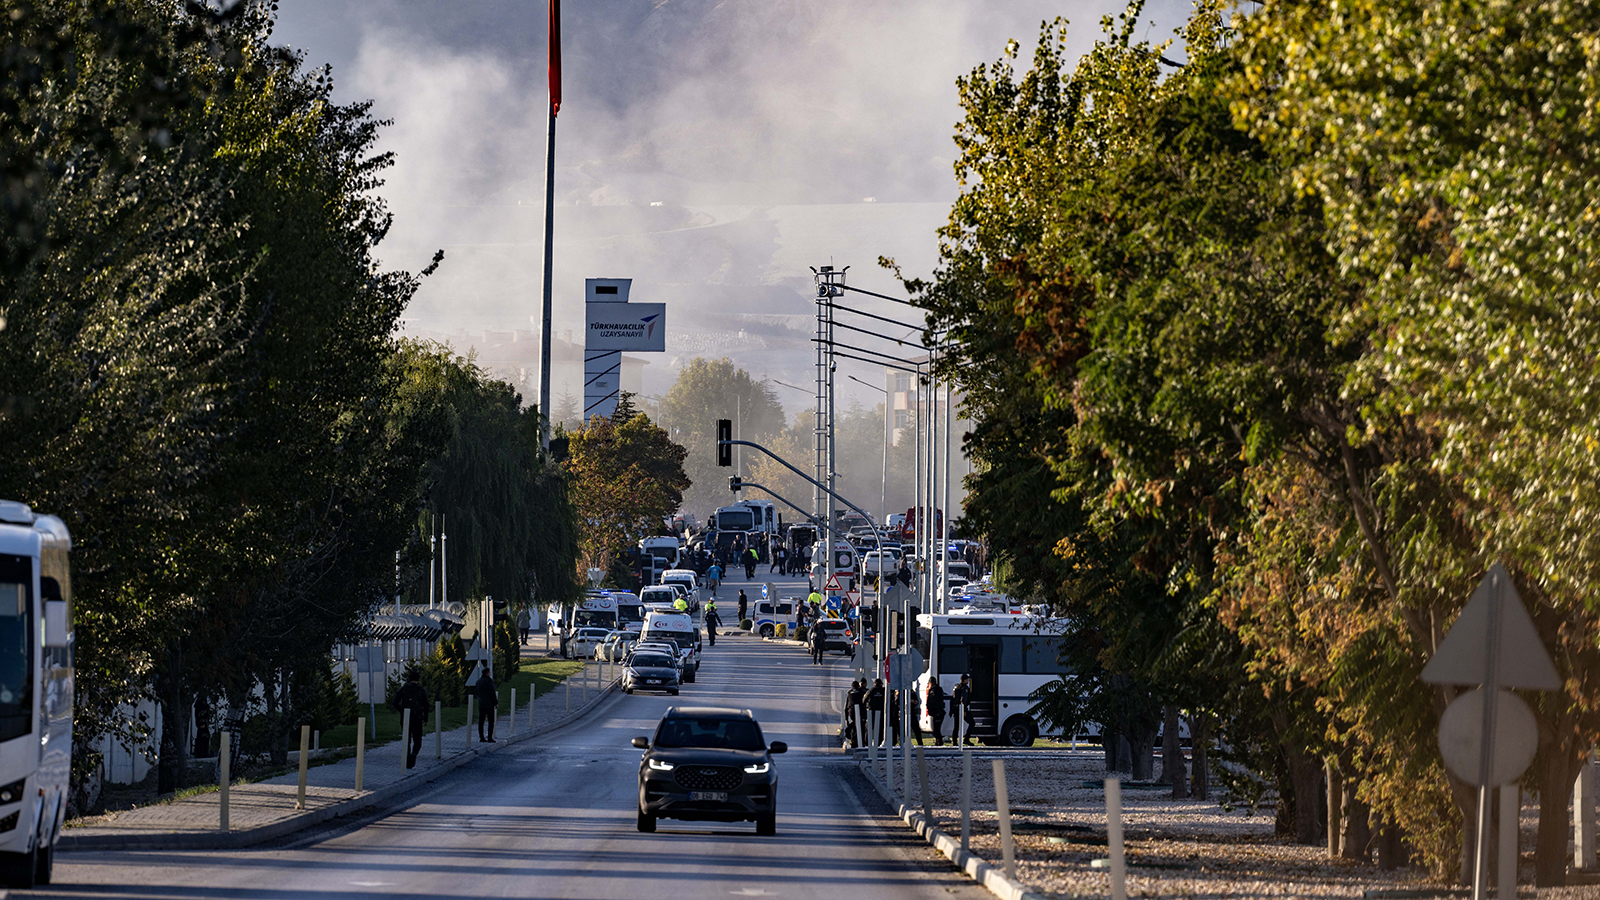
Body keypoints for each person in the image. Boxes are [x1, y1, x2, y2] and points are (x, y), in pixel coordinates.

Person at [397, 669, 430, 767]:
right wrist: (426, 718)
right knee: (417, 739)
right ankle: (414, 754)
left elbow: (395, 702)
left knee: (406, 739)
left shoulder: (403, 689)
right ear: (418, 680)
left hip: (405, 717)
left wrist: (402, 710)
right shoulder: (421, 690)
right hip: (417, 717)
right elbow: (426, 705)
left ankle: (407, 759)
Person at [474, 662, 498, 743]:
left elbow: (476, 692)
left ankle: (481, 737)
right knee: (491, 721)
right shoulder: (489, 681)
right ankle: (490, 737)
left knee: (481, 720)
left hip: (481, 703)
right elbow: (492, 693)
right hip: (489, 704)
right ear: (487, 673)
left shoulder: (478, 681)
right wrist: (495, 702)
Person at [952, 673, 973, 746]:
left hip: (955, 709)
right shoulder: (965, 688)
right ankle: (966, 739)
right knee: (972, 723)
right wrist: (964, 710)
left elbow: (953, 698)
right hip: (961, 708)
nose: (968, 681)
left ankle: (954, 742)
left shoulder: (956, 687)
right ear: (964, 680)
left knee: (956, 726)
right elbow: (963, 699)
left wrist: (951, 710)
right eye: (967, 679)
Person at [845, 679, 866, 746]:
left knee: (854, 726)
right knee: (860, 727)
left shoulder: (849, 693)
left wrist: (846, 719)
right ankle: (859, 742)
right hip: (860, 712)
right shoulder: (862, 692)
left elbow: (845, 708)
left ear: (852, 687)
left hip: (851, 712)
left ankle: (854, 741)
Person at [927, 678, 947, 745]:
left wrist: (932, 710)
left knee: (936, 729)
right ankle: (938, 741)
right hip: (939, 712)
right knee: (936, 729)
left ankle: (939, 741)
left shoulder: (934, 690)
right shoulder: (938, 689)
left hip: (937, 712)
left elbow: (933, 702)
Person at [866, 678, 886, 744]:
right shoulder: (884, 691)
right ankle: (879, 742)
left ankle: (867, 742)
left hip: (872, 712)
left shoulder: (871, 690)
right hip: (881, 711)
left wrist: (867, 706)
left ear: (874, 684)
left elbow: (864, 700)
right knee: (880, 728)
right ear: (881, 684)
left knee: (869, 727)